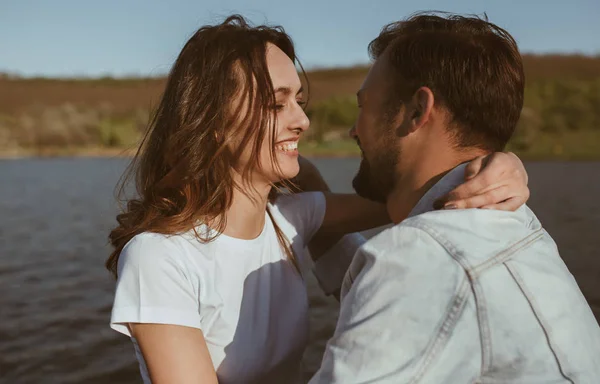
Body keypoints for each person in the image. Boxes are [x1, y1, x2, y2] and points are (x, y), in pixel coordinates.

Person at [107, 15, 530, 383]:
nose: (302, 121)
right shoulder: (160, 257)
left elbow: (420, 197)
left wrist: (495, 164)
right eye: (277, 104)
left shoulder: (292, 220)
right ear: (212, 121)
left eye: (300, 101)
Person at [309, 12, 600, 383]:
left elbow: (425, 275)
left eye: (364, 105)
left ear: (417, 111)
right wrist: (301, 186)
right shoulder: (513, 223)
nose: (354, 128)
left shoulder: (422, 255)